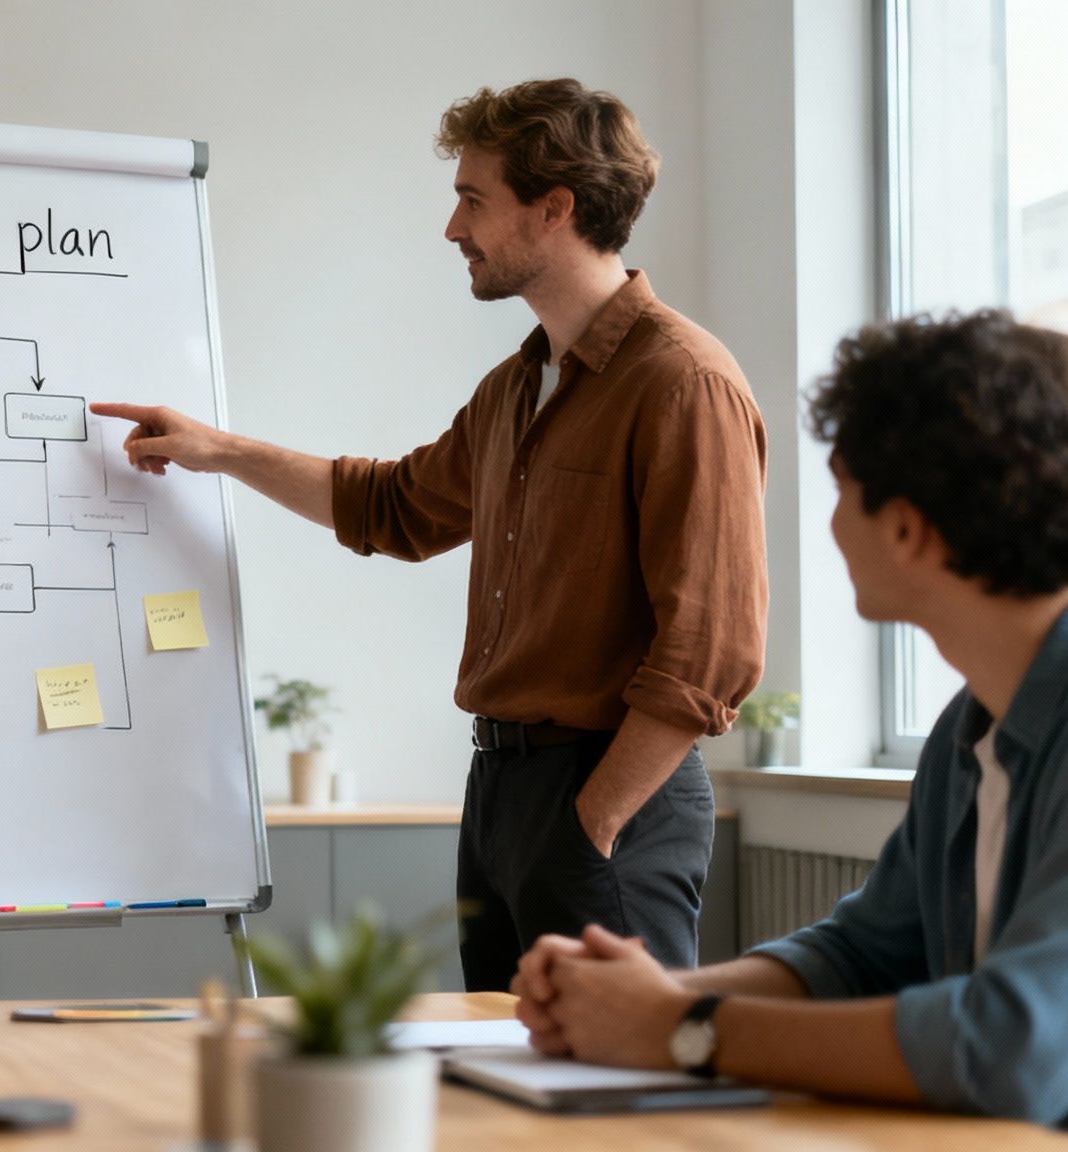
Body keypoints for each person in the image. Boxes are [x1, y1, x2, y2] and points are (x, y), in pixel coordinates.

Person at [92, 78, 767, 989]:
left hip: (607, 795)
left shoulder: (683, 383)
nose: (453, 229)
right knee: (500, 1093)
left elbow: (710, 652)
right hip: (501, 792)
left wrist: (591, 821)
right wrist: (219, 450)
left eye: (473, 200)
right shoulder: (515, 388)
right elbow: (392, 510)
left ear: (554, 208)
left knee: (609, 1106)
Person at [512, 311, 1068, 1123]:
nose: (828, 523)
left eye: (840, 489)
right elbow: (862, 952)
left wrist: (677, 1027)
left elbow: (1014, 1050)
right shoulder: (971, 727)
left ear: (909, 529)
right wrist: (638, 997)